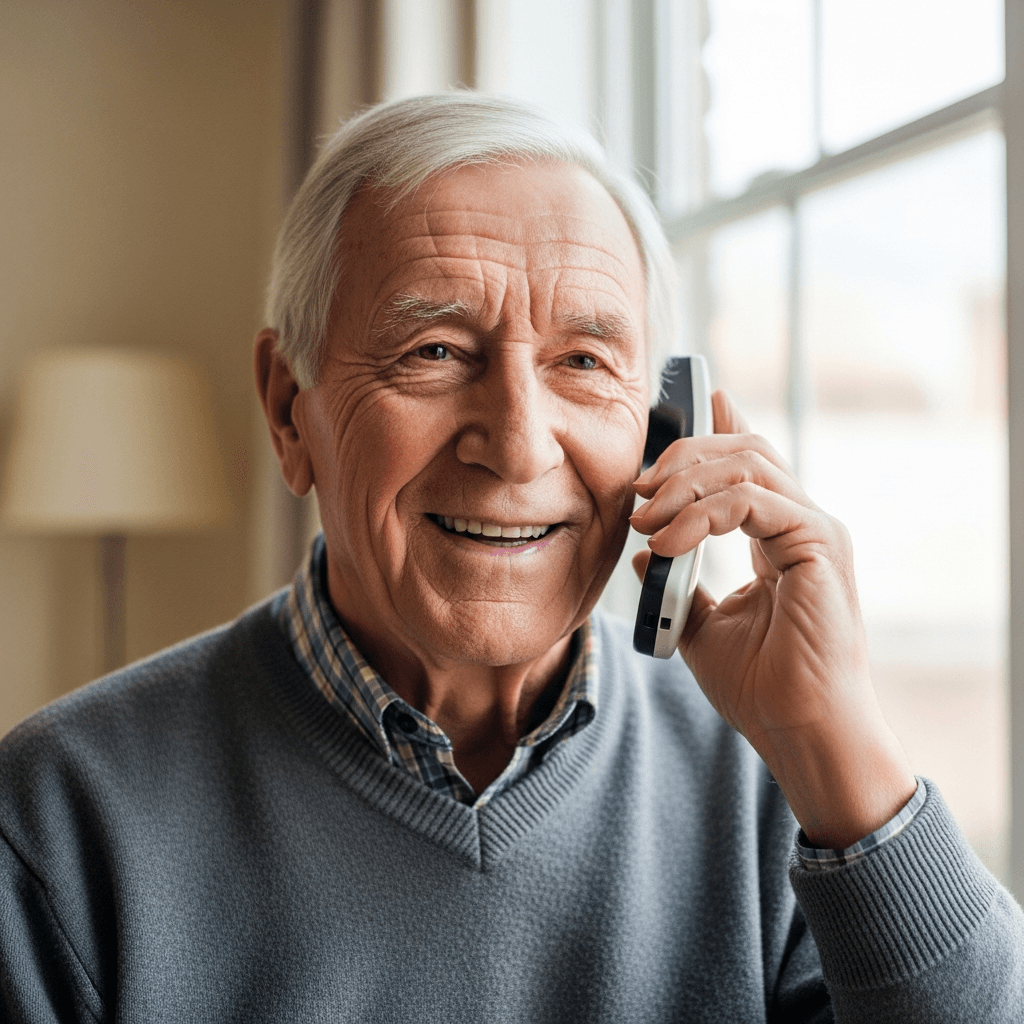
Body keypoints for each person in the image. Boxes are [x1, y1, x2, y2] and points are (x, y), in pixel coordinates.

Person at [1, 93, 1021, 1023]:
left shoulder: (783, 788)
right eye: (435, 351)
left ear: (663, 428)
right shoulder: (58, 821)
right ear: (286, 409)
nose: (521, 445)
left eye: (584, 361)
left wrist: (831, 747)